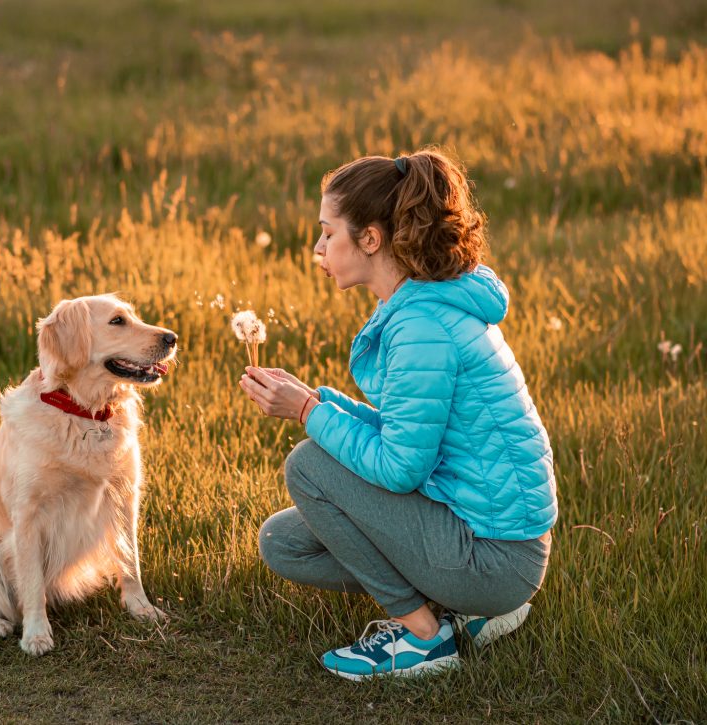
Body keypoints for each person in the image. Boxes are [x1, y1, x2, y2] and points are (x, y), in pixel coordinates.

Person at [238, 148, 557, 680]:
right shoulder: (421, 307)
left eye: (327, 233)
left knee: (306, 466)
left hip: (496, 559)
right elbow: (409, 437)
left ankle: (424, 637)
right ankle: (461, 614)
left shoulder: (422, 328)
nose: (317, 248)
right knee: (284, 542)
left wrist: (307, 414)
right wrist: (315, 400)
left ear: (369, 239)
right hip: (474, 531)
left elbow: (400, 468)